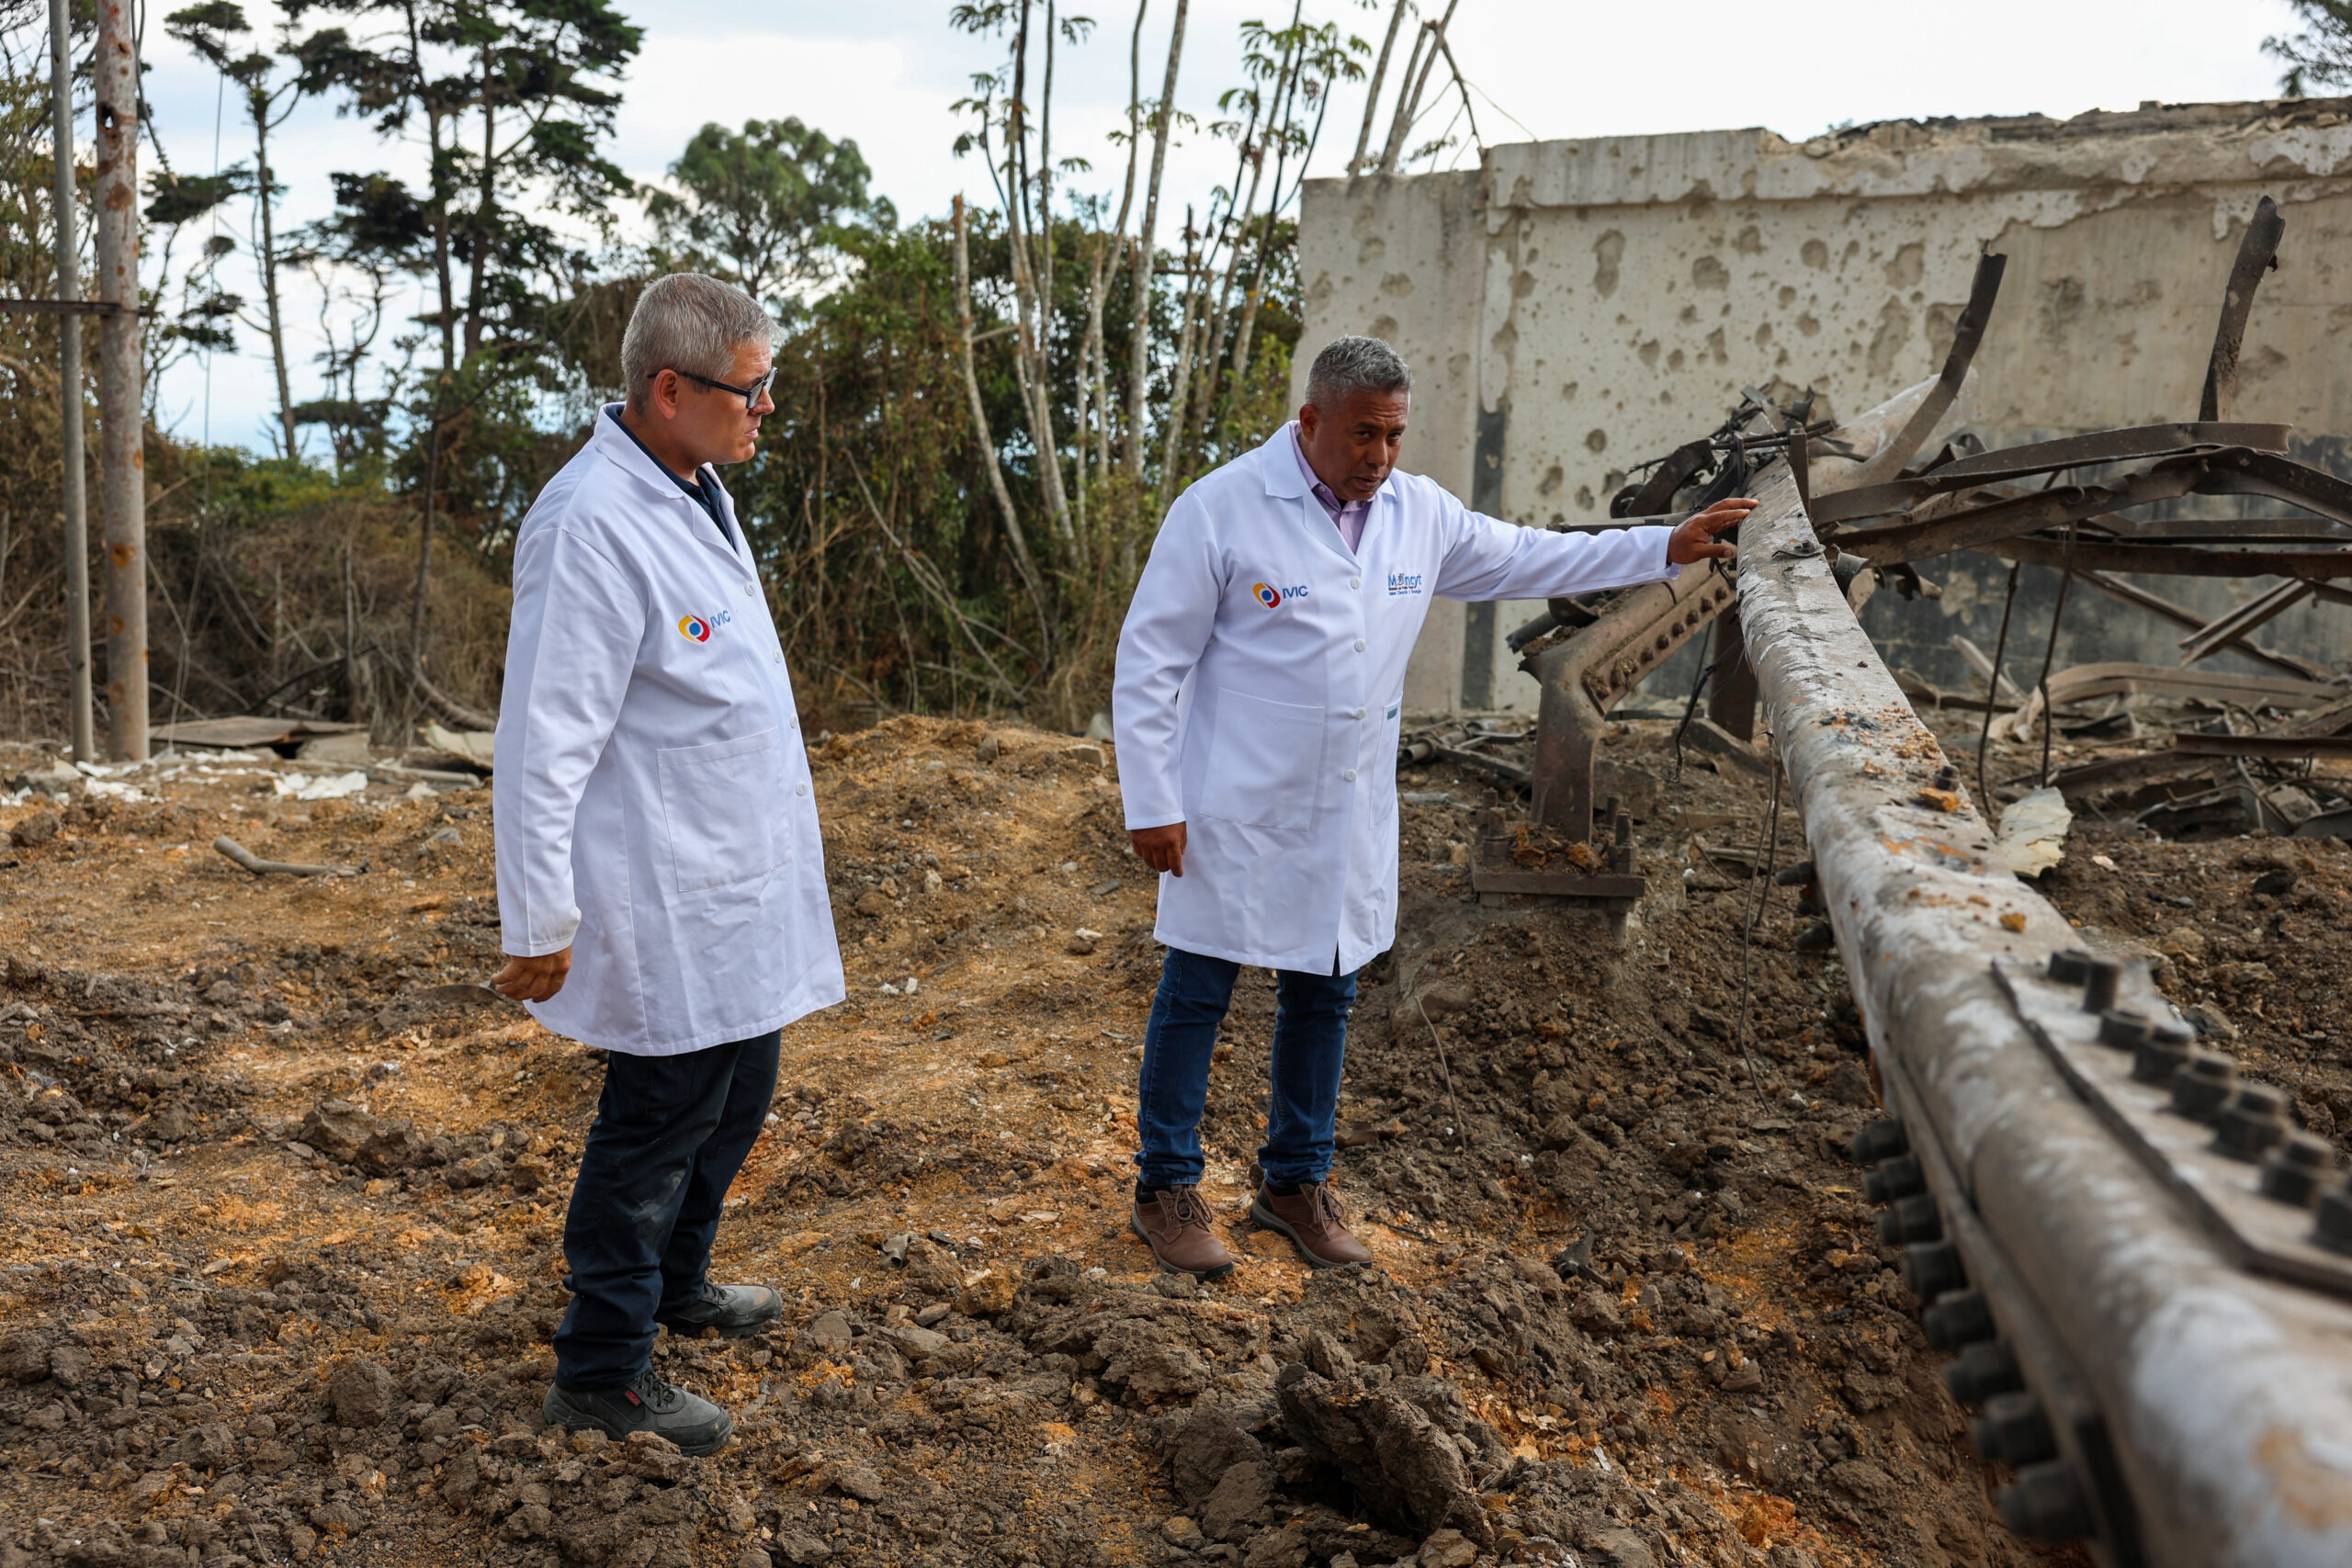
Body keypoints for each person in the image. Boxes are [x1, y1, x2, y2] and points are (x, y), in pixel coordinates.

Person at [1112, 334, 1755, 1279]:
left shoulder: (1419, 515)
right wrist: (1151, 800)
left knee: (1325, 991)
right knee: (1198, 988)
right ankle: (1164, 1188)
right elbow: (1149, 662)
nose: (1379, 455)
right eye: (1362, 434)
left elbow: (1529, 554)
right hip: (1231, 808)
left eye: (1394, 436)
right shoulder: (1220, 510)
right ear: (1310, 421)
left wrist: (1662, 544)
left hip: (1344, 811)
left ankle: (1294, 1182)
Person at [489, 273, 844, 1453]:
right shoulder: (588, 524)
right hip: (664, 892)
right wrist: (538, 918)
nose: (766, 408)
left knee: (739, 1092)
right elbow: (541, 743)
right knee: (655, 1123)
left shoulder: (692, 489)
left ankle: (677, 1283)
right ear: (668, 389)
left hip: (735, 884)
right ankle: (600, 1368)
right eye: (750, 389)